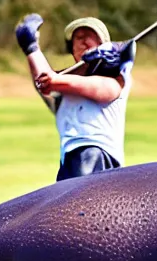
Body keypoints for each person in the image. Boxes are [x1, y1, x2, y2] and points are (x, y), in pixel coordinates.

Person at [15, 14, 136, 181]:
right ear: (72, 49)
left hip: (97, 155)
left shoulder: (116, 75)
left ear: (103, 43)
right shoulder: (62, 82)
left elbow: (105, 91)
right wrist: (31, 48)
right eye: (78, 38)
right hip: (70, 161)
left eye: (90, 36)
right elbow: (44, 81)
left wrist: (56, 81)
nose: (83, 41)